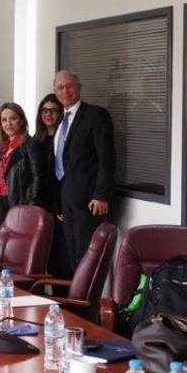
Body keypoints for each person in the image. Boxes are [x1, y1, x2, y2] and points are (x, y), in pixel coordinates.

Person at [52, 70, 115, 271]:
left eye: (70, 86)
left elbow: (106, 157)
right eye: (60, 87)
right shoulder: (61, 120)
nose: (65, 91)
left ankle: (87, 292)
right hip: (67, 198)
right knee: (72, 255)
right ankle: (75, 291)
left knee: (86, 255)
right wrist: (59, 203)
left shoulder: (95, 115)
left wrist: (101, 195)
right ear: (55, 92)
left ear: (79, 88)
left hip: (89, 199)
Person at [32, 93, 69, 278]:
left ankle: (62, 293)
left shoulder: (66, 139)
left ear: (61, 113)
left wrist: (61, 205)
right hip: (42, 204)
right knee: (43, 255)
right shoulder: (35, 141)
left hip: (60, 205)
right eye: (45, 111)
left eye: (54, 111)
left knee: (61, 256)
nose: (49, 115)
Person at [0, 102, 41, 211]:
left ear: (22, 121)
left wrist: (31, 205)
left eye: (13, 118)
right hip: (2, 202)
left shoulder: (30, 144)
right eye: (4, 120)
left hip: (21, 205)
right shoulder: (3, 147)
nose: (8, 123)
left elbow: (37, 178)